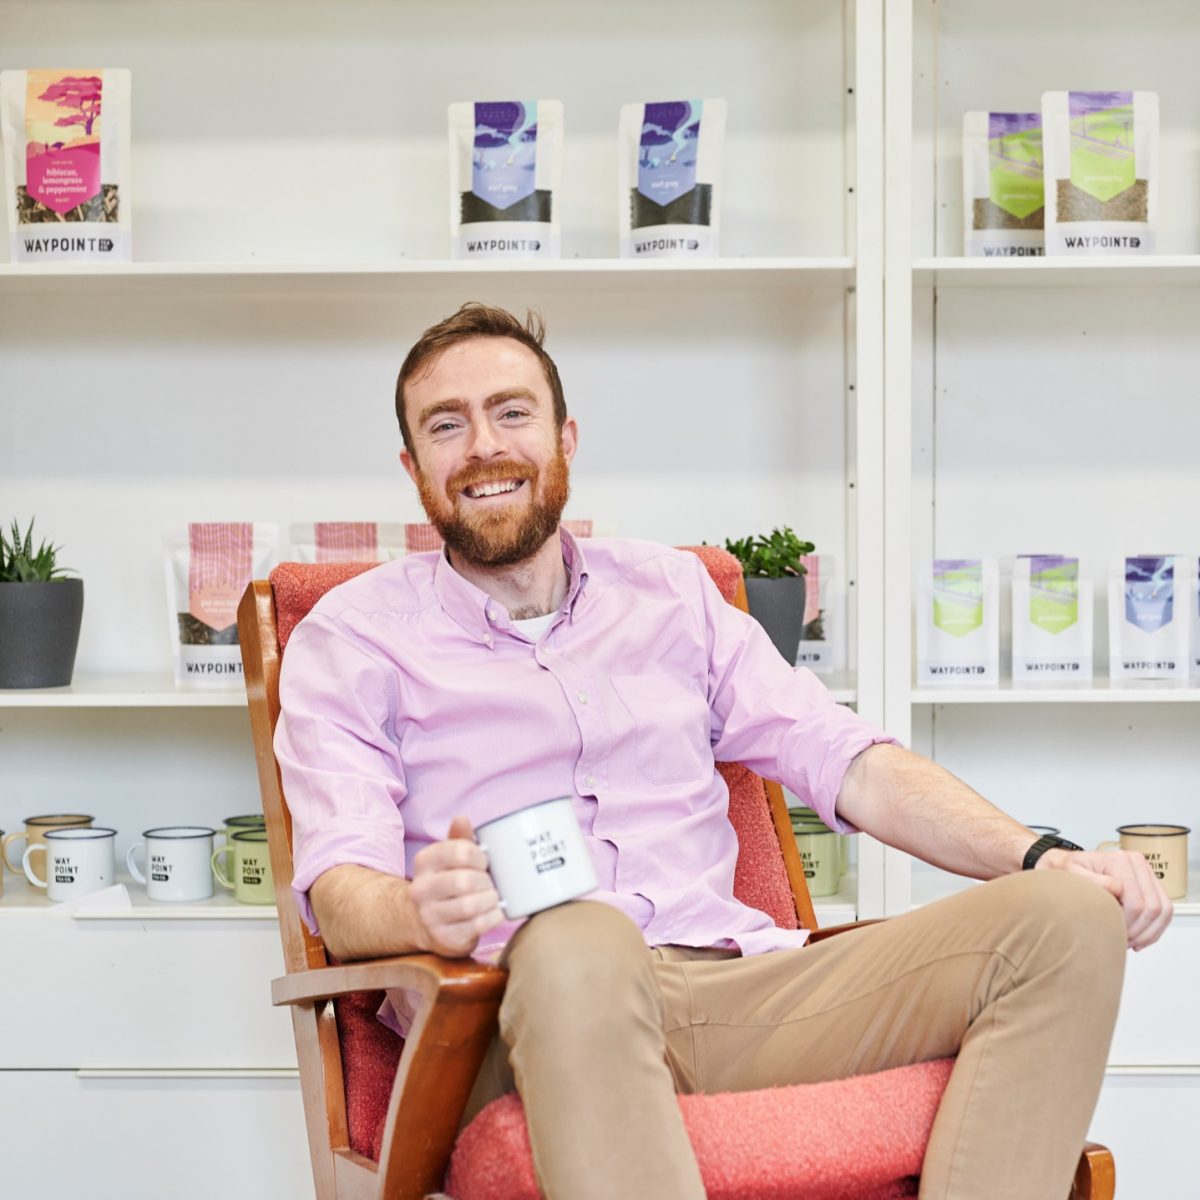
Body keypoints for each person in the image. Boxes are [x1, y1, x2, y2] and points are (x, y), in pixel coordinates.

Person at [275, 302, 1172, 1200]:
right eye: (446, 425)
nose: (483, 446)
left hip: (742, 986)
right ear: (412, 467)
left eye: (512, 412)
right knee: (579, 931)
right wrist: (420, 913)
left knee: (1064, 922)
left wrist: (1044, 855)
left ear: (565, 438)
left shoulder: (673, 593)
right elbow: (337, 890)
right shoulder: (352, 639)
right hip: (527, 1007)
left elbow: (847, 758)